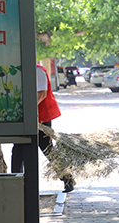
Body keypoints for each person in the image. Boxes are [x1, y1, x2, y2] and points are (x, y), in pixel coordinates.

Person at [12, 63, 75, 192]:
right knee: (18, 149)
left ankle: (68, 178)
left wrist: (27, 109)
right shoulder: (18, 70)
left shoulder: (38, 70)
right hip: (25, 117)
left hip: (41, 116)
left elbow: (42, 94)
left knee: (48, 149)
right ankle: (15, 185)